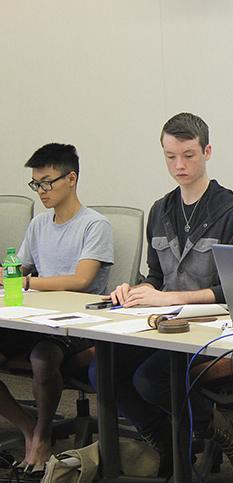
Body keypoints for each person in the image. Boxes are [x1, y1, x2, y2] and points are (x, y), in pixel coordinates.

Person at [89, 112, 233, 475]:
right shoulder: (161, 209)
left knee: (150, 378)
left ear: (207, 151)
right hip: (164, 324)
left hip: (209, 330)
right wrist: (137, 288)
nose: (179, 165)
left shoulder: (229, 212)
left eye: (189, 155)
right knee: (103, 371)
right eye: (170, 156)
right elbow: (157, 276)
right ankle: (167, 442)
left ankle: (219, 429)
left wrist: (171, 299)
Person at [0, 143, 114, 474]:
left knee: (42, 357)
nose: (41, 191)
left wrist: (27, 283)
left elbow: (81, 280)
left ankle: (40, 437)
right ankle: (30, 429)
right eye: (35, 184)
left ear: (72, 178)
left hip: (77, 324)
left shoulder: (95, 225)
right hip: (34, 320)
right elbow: (17, 269)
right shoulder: (38, 226)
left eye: (47, 182)